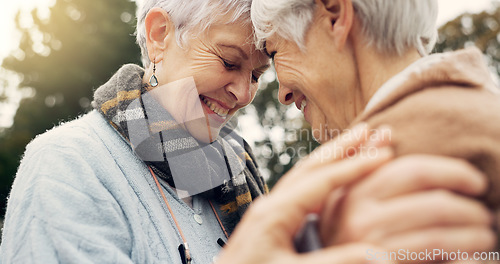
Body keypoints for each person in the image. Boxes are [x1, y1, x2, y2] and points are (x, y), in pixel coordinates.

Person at [0, 1, 494, 264]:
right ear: (159, 35)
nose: (242, 92)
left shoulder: (239, 179)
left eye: (259, 72)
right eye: (229, 61)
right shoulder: (68, 165)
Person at [251, 0, 499, 255]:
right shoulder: (472, 112)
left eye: (274, 52)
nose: (283, 95)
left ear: (335, 16)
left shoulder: (388, 168)